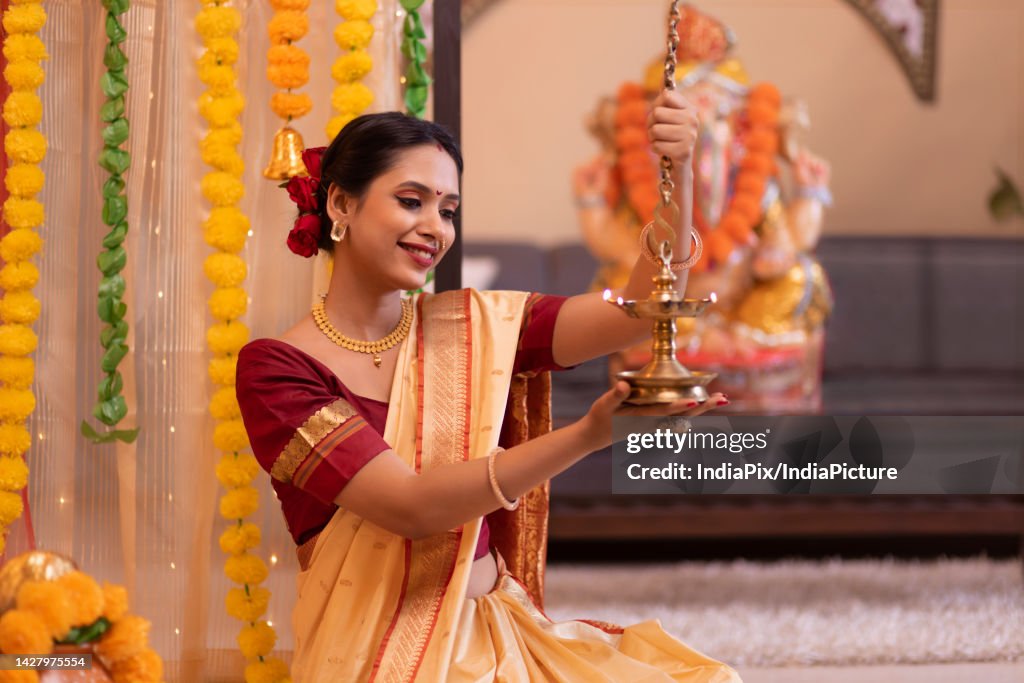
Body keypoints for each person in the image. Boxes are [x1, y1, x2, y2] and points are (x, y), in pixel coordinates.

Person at [236, 93, 741, 681]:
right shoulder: (277, 369)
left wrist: (678, 173)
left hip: (500, 634)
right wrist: (590, 435)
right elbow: (411, 507)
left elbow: (637, 312)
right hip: (377, 656)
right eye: (411, 201)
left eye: (448, 210)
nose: (434, 228)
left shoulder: (473, 326)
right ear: (341, 203)